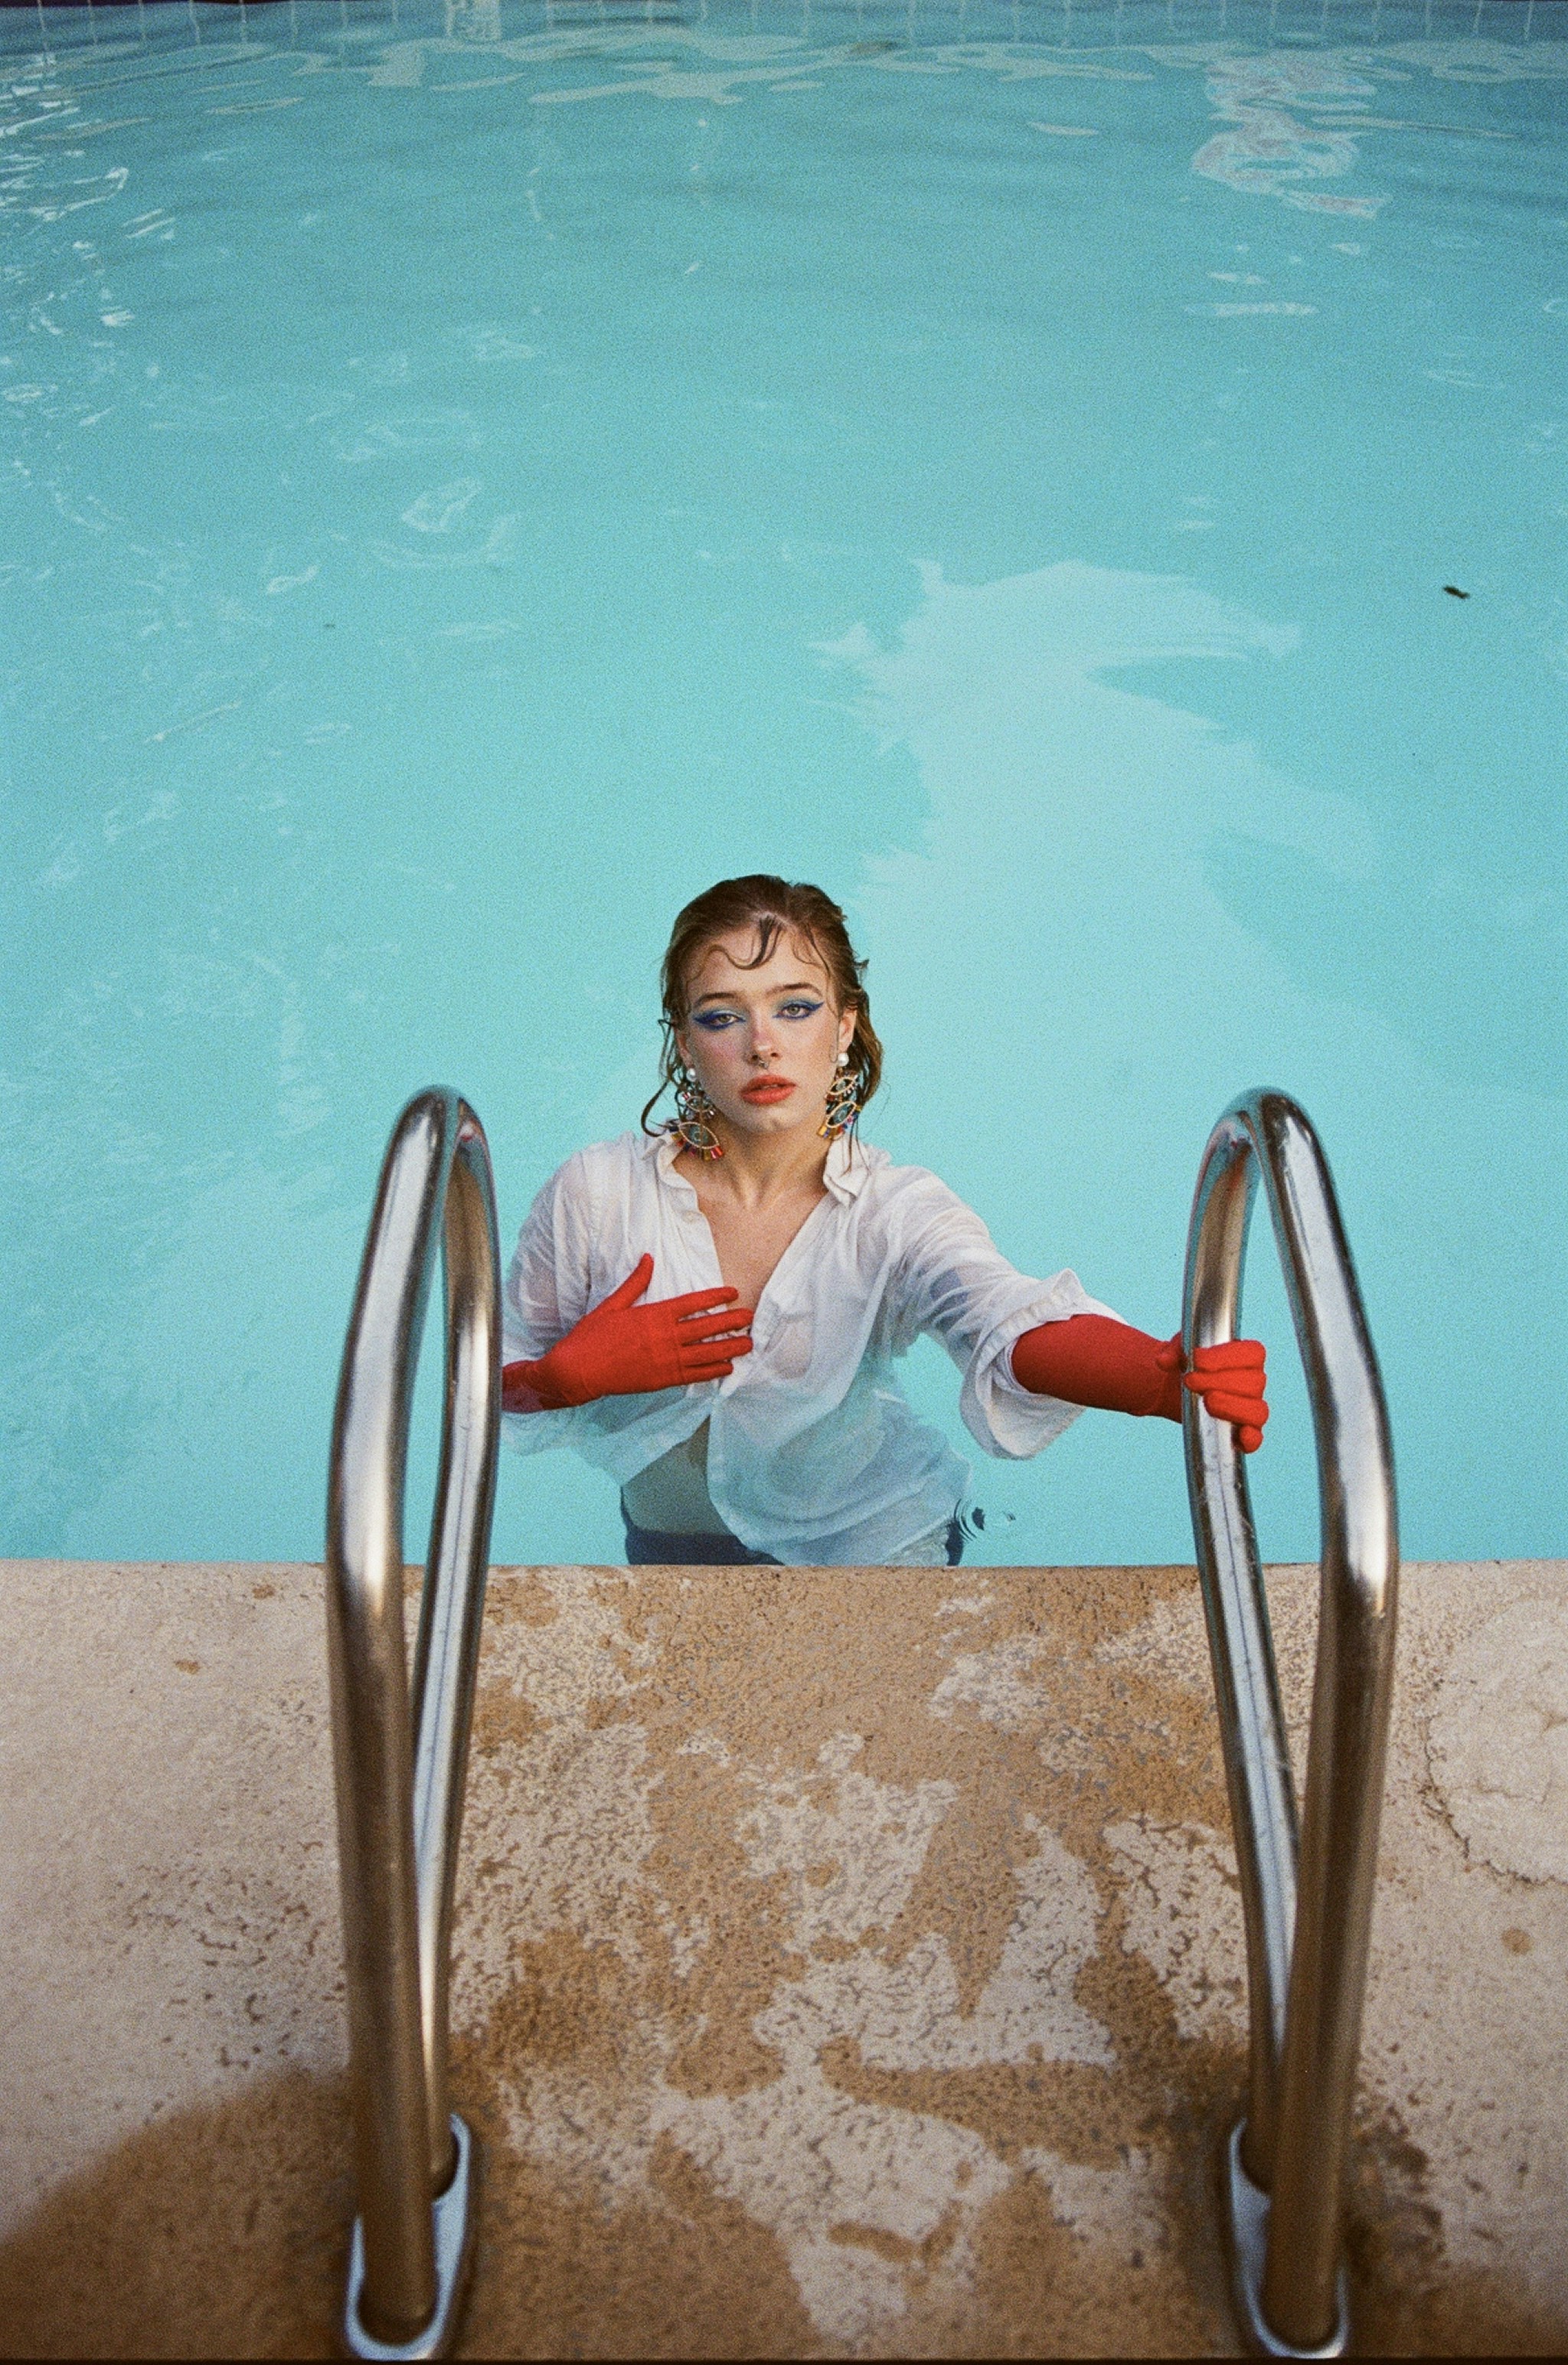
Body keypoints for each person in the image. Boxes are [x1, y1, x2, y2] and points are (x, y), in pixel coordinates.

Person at [500, 875, 1267, 1567]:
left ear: (842, 1027)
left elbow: (998, 1314)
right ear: (683, 1044)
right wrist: (560, 1377)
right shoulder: (595, 1197)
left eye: (794, 1007)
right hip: (671, 1544)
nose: (761, 1042)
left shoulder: (892, 1212)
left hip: (868, 1541)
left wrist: (1149, 1376)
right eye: (721, 1016)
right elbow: (481, 1389)